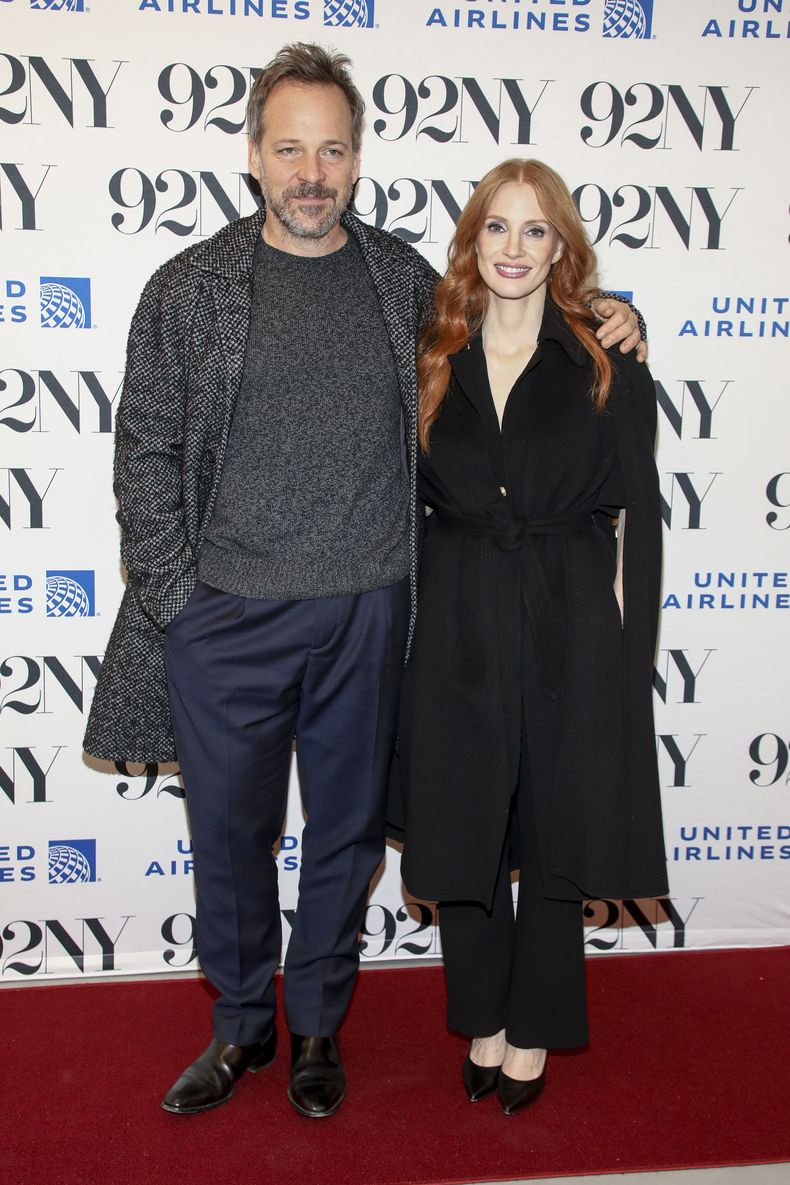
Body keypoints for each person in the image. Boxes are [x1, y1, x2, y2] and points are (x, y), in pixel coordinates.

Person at [83, 43, 643, 1120]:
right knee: (228, 845)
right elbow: (142, 449)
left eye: (331, 149)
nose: (310, 171)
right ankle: (243, 1027)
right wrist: (178, 603)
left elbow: (527, 321)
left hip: (371, 617)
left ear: (356, 159)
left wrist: (621, 317)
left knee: (343, 845)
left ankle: (319, 1030)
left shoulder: (403, 283)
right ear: (253, 156)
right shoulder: (189, 287)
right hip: (224, 620)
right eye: (288, 147)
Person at [394, 158, 667, 1116]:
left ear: (562, 248)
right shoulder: (432, 351)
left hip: (572, 613)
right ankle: (483, 1011)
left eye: (536, 230)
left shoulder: (605, 355)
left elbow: (637, 515)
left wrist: (627, 664)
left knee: (556, 830)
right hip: (461, 614)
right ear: (472, 239)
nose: (514, 249)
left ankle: (536, 1025)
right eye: (497, 228)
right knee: (465, 821)